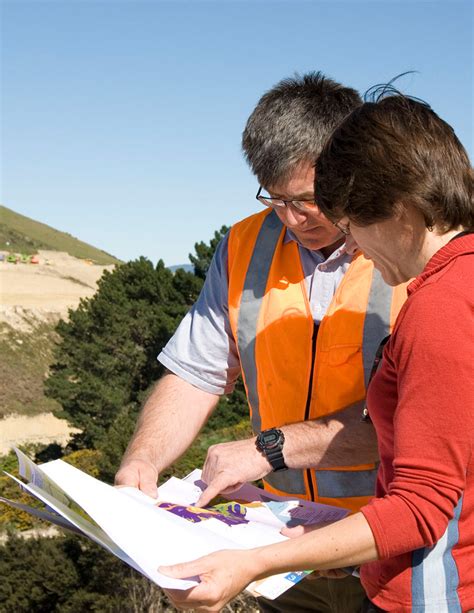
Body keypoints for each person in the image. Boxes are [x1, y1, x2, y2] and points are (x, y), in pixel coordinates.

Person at [159, 93, 474, 613]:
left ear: (398, 207)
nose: (357, 250)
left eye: (351, 226)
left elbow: (421, 507)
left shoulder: (440, 304)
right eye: (275, 201)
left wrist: (253, 563)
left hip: (427, 586)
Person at [116, 73, 406, 612]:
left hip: (397, 549)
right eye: (274, 199)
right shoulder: (243, 244)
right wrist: (142, 461)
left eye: (309, 199)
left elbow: (420, 422)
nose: (292, 219)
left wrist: (267, 448)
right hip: (281, 555)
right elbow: (195, 372)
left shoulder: (413, 249)